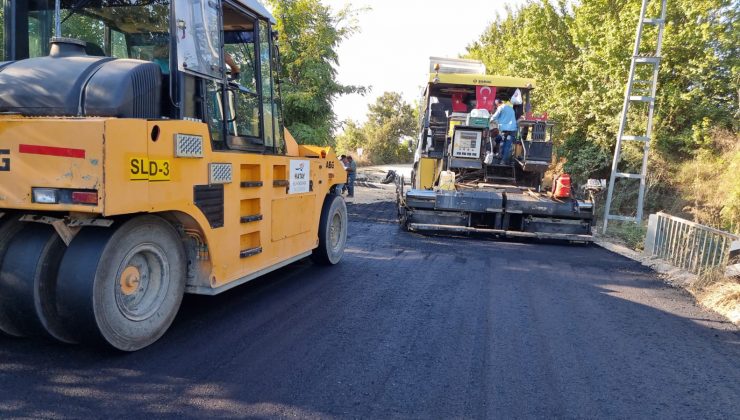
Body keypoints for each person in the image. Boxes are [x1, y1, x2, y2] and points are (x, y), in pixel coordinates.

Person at [490, 99, 517, 165]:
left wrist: (489, 119)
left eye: (496, 106)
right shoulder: (510, 108)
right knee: (507, 145)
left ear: (498, 104)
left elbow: (494, 117)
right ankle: (503, 161)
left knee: (502, 143)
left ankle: (500, 159)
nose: (496, 107)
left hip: (505, 129)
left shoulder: (500, 108)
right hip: (513, 129)